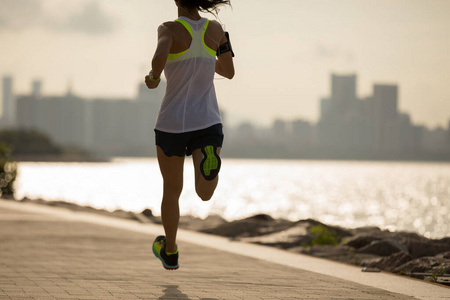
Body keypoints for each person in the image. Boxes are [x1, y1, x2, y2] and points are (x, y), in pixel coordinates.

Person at [145, 0, 234, 270]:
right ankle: (209, 164)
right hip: (207, 121)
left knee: (172, 191)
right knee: (204, 193)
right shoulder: (217, 30)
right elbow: (228, 71)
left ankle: (170, 251)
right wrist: (206, 60)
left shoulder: (169, 29)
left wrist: (153, 77)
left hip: (172, 123)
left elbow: (159, 58)